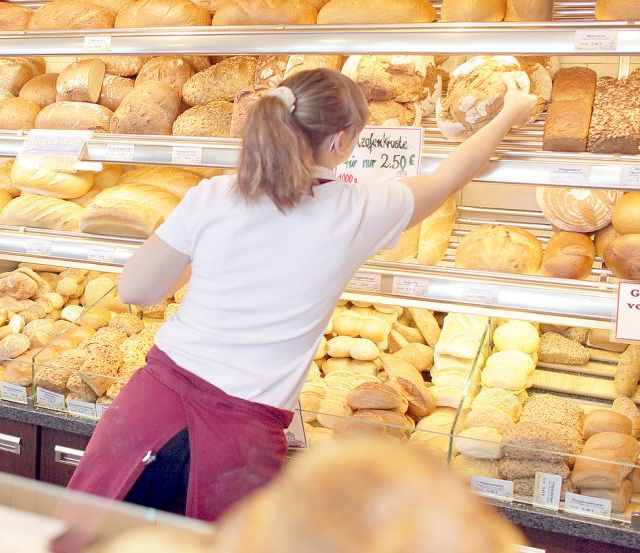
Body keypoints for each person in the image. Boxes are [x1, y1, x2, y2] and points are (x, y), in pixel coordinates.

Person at [67, 68, 537, 521]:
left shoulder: (214, 195)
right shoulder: (360, 209)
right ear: (339, 140)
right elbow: (449, 176)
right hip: (240, 435)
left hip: (151, 404)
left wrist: (205, 264)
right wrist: (508, 114)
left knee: (93, 538)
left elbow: (136, 288)